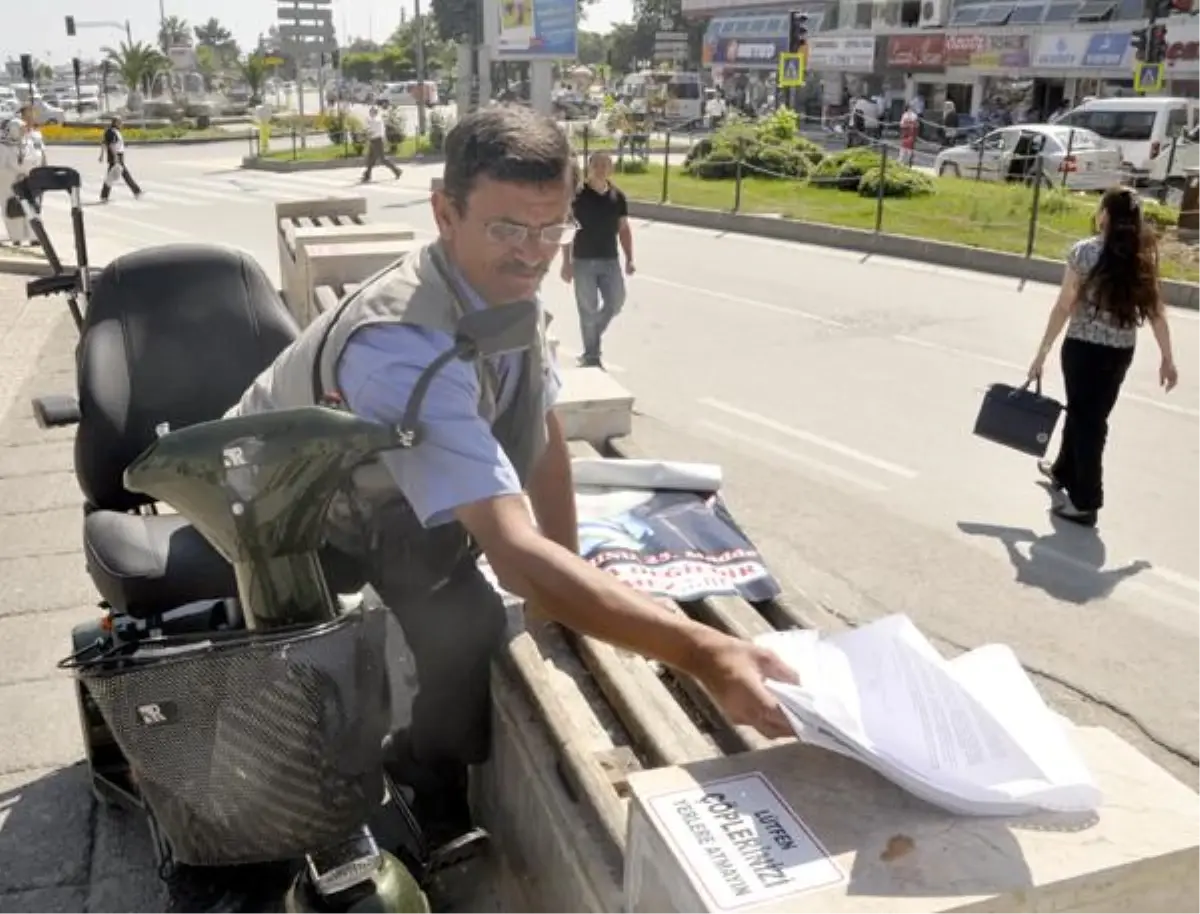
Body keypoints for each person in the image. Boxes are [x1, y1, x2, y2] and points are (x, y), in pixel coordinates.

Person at [226, 105, 795, 860]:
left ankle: (419, 760)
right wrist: (704, 653)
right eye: (504, 229)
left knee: (461, 586)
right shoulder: (403, 345)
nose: (530, 256)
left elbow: (542, 428)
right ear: (444, 212)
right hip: (280, 506)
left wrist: (568, 580)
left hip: (370, 480)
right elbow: (513, 549)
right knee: (455, 625)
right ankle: (416, 785)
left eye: (549, 228)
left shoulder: (504, 298)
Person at [1027, 186, 1179, 527]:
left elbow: (1065, 305)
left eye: (1100, 209)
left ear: (1106, 216)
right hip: (1120, 353)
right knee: (1085, 413)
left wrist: (1043, 351)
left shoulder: (1083, 253)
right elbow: (1156, 312)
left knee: (1089, 421)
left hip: (1082, 349)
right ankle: (1064, 470)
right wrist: (1167, 359)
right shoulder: (1141, 258)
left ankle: (1087, 502)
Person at [560, 151, 633, 370]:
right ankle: (592, 356)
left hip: (610, 260)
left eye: (606, 164)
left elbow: (623, 228)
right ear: (588, 168)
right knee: (587, 308)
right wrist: (566, 262)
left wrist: (630, 258)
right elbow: (567, 229)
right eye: (597, 164)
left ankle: (593, 335)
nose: (601, 168)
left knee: (616, 301)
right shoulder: (577, 196)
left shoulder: (617, 197)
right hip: (583, 261)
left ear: (611, 168)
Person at [99, 115, 142, 203]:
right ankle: (137, 191)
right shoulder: (111, 132)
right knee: (124, 175)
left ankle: (104, 196)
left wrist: (102, 155)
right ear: (115, 123)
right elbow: (110, 145)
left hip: (118, 156)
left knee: (111, 176)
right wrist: (115, 157)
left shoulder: (115, 131)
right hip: (116, 156)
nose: (122, 124)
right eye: (120, 122)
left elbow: (104, 143)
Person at [362, 105, 401, 183]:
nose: (370, 112)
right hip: (374, 140)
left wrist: (367, 134)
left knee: (383, 159)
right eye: (370, 111)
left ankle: (397, 170)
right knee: (371, 159)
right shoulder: (377, 119)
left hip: (377, 141)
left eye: (372, 111)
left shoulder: (375, 120)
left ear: (374, 112)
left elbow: (370, 131)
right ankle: (367, 175)